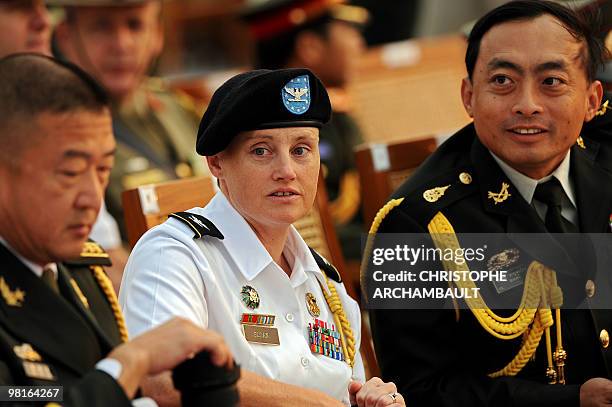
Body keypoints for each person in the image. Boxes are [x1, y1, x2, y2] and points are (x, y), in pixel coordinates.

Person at [365, 1, 611, 406]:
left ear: (591, 98)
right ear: (468, 96)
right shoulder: (413, 224)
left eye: (551, 81)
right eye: (502, 81)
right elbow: (415, 391)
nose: (526, 104)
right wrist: (572, 400)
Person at [119, 68, 405, 407]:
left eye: (301, 150)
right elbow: (160, 380)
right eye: (261, 151)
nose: (287, 170)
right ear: (216, 163)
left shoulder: (326, 283)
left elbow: (348, 391)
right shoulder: (176, 255)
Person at [0, 53, 234, 405]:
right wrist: (132, 362)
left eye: (102, 170)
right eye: (70, 173)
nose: (92, 199)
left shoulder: (81, 271)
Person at [52, 0, 206, 241]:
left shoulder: (180, 108)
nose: (121, 45)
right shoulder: (53, 130)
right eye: (101, 27)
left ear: (157, 34)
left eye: (135, 25)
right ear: (66, 37)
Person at [243, 0, 368, 260]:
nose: (360, 45)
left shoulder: (333, 115)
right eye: (349, 32)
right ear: (310, 47)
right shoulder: (274, 127)